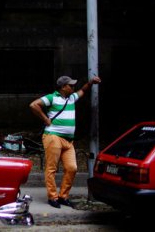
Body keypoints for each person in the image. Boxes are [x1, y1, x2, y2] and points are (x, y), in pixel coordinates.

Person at [29, 75, 101, 209]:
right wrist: (45, 119)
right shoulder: (52, 97)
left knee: (72, 168)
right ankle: (53, 197)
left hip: (68, 141)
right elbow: (34, 105)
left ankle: (63, 196)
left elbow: (83, 90)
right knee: (51, 168)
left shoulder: (71, 98)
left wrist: (91, 82)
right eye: (71, 85)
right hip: (53, 137)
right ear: (63, 87)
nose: (73, 87)